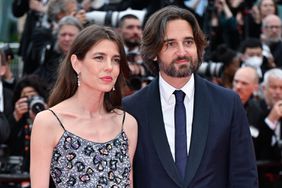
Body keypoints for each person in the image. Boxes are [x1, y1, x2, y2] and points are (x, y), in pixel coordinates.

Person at [123, 5, 258, 188]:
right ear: (153, 52)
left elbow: (244, 176)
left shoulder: (228, 103)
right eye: (170, 44)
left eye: (188, 42)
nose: (182, 52)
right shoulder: (131, 109)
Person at [30, 25, 138, 187]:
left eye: (115, 60)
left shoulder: (127, 124)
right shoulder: (49, 122)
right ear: (76, 63)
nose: (109, 67)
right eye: (99, 57)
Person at [254, 68, 282, 161]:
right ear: (264, 88)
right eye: (273, 87)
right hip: (261, 169)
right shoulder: (255, 109)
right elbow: (253, 146)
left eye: (281, 88)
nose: (278, 92)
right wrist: (270, 121)